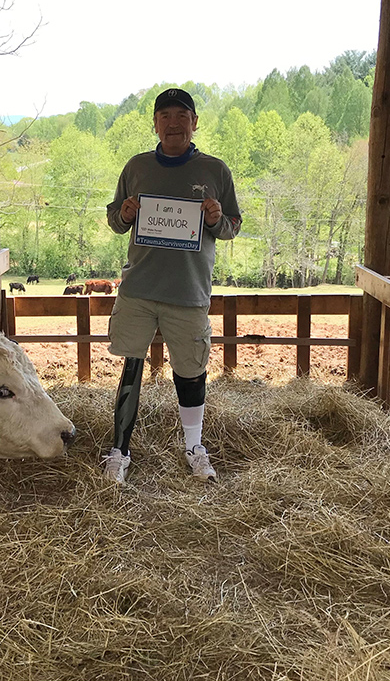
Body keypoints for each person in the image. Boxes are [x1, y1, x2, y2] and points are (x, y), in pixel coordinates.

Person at [103, 88, 241, 484]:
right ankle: (120, 450)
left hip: (189, 293)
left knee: (191, 373)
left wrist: (215, 219)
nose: (173, 123)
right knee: (131, 367)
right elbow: (115, 220)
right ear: (155, 124)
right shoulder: (137, 166)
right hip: (138, 290)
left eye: (182, 115)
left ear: (194, 123)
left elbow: (232, 226)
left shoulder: (215, 171)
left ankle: (194, 448)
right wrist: (124, 213)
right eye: (165, 116)